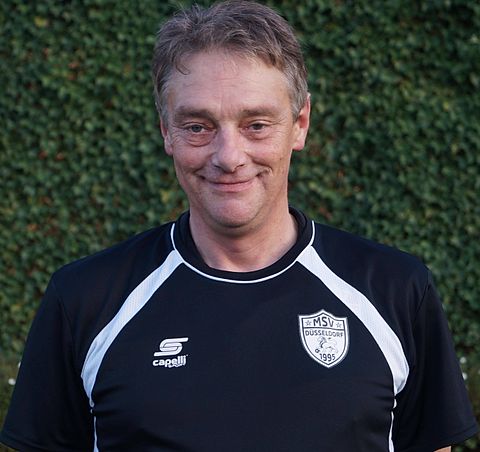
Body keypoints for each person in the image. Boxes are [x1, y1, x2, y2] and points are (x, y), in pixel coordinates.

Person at [1, 1, 478, 451]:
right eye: (198, 126)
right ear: (166, 131)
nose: (228, 156)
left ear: (300, 123)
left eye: (256, 125)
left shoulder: (396, 290)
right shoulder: (84, 300)